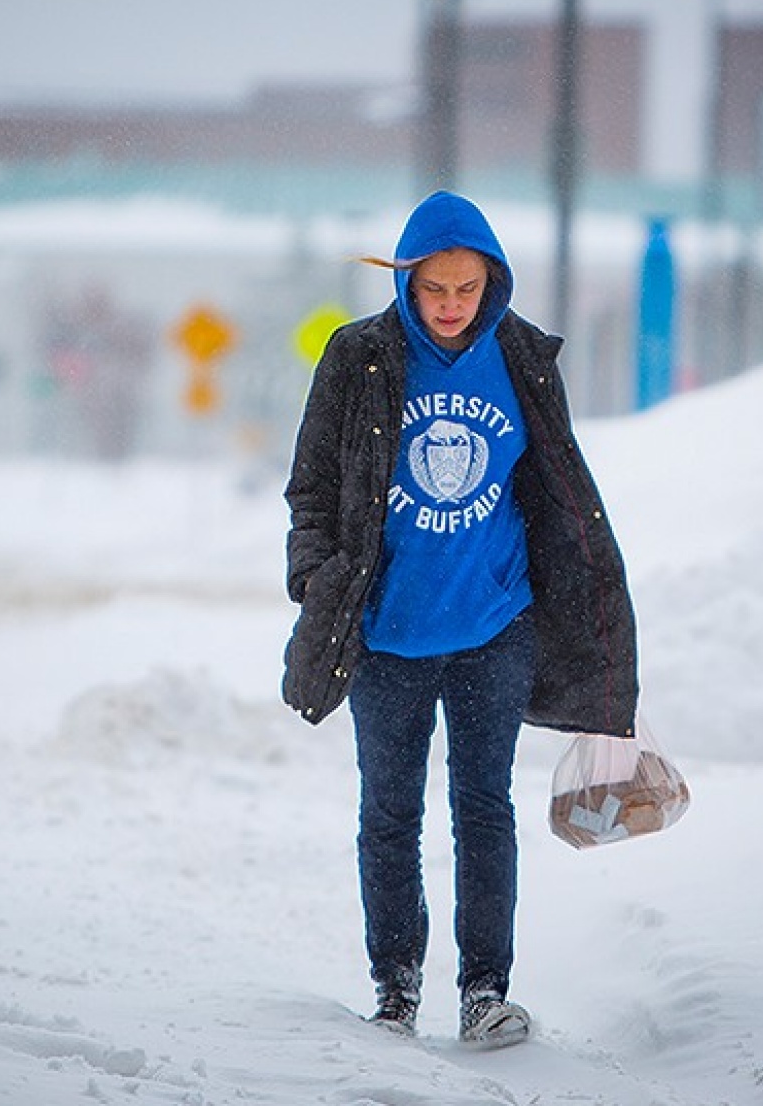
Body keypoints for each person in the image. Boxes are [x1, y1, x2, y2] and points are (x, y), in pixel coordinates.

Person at [281, 190, 639, 1049]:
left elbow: (557, 489)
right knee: (388, 814)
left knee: (482, 810)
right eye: (434, 288)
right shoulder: (357, 356)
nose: (449, 306)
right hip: (385, 634)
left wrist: (587, 609)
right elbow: (312, 487)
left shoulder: (519, 357)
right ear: (406, 282)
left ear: (492, 285)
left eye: (466, 289)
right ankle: (395, 988)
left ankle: (484, 991)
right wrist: (317, 580)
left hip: (494, 627)